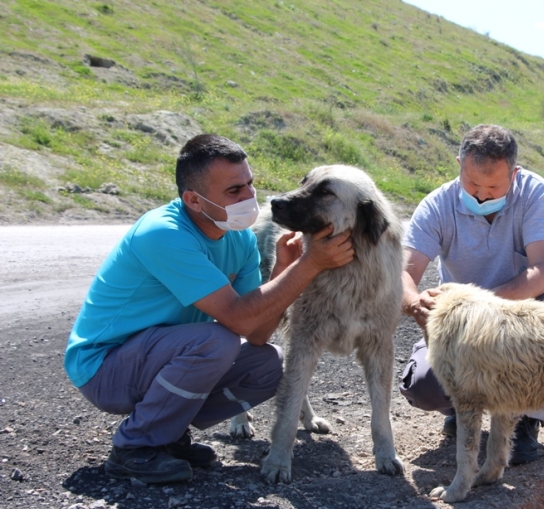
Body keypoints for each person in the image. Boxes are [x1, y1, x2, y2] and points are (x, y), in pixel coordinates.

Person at [64, 134, 354, 484]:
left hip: (159, 358)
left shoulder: (239, 238)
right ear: (194, 200)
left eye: (250, 184)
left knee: (269, 364)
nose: (250, 197)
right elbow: (236, 318)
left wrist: (282, 269)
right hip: (104, 368)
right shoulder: (163, 234)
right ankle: (134, 447)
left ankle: (166, 434)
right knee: (215, 341)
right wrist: (308, 266)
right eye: (234, 191)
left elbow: (258, 333)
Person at [399, 124, 544, 465]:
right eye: (472, 183)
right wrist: (414, 303)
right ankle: (463, 407)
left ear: (515, 173)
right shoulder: (437, 205)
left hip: (522, 315)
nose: (480, 194)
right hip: (460, 327)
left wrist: (481, 307)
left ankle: (525, 419)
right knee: (423, 384)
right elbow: (405, 273)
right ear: (459, 164)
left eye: (493, 185)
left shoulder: (535, 194)